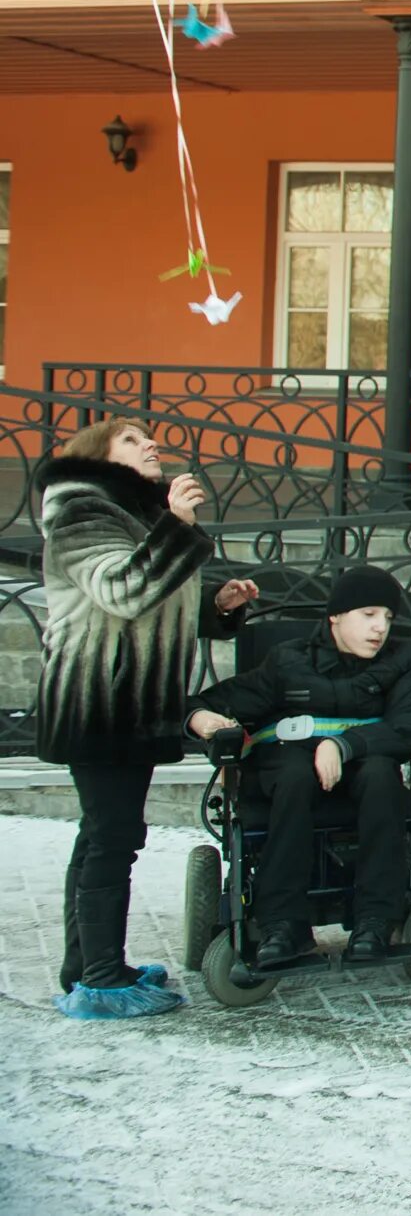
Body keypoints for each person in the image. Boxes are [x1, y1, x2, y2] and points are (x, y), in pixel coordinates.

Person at [38, 419, 258, 1016]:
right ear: (98, 458)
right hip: (99, 702)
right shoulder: (80, 511)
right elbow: (124, 591)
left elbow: (156, 605)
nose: (151, 444)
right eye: (132, 440)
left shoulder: (130, 512)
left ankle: (87, 968)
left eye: (148, 437)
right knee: (110, 840)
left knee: (105, 837)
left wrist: (216, 606)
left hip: (127, 704)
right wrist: (178, 526)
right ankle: (102, 982)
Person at [185, 565, 411, 973]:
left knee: (380, 775)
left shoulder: (405, 659)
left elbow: (408, 724)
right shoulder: (288, 661)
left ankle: (374, 921)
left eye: (387, 617)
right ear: (336, 615)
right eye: (368, 614)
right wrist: (200, 718)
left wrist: (342, 744)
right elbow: (216, 701)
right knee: (295, 774)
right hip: (288, 770)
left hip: (364, 768)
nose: (380, 627)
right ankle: (283, 924)